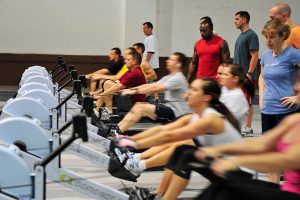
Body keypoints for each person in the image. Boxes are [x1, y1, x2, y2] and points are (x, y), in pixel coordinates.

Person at [143, 63, 253, 200]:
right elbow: (167, 130)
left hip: (235, 166)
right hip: (218, 150)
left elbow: (169, 133)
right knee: (181, 150)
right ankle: (158, 191)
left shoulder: (235, 98)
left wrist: (133, 143)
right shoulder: (224, 93)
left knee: (183, 151)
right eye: (219, 73)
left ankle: (143, 169)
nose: (219, 76)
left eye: (224, 74)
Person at [191, 71, 300, 199]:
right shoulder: (293, 120)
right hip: (287, 191)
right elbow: (262, 143)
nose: (296, 87)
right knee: (223, 186)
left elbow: (287, 160)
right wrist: (219, 149)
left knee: (230, 190)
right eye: (297, 81)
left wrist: (237, 161)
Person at [117, 78, 242, 180]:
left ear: (206, 97)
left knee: (181, 147)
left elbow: (170, 135)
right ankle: (137, 160)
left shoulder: (210, 118)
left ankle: (139, 165)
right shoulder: (196, 116)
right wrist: (127, 139)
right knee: (181, 146)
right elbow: (164, 130)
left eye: (194, 90)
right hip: (216, 156)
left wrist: (132, 143)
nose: (187, 93)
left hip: (238, 167)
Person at [107, 52, 191, 135]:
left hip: (179, 113)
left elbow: (155, 89)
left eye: (172, 60)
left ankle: (117, 131)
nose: (167, 61)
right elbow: (151, 85)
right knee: (139, 105)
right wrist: (131, 89)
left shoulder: (178, 78)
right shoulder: (169, 77)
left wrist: (134, 91)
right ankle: (116, 128)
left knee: (141, 107)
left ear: (178, 64)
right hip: (171, 108)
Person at [259, 19, 300, 182]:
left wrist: (298, 97)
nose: (268, 41)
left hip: (286, 110)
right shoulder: (265, 56)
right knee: (271, 154)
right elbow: (262, 76)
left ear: (282, 36)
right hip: (267, 109)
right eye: (266, 37)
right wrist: (261, 95)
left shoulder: (293, 54)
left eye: (272, 37)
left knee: (287, 154)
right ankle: (273, 189)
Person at [93, 51, 146, 119]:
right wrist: (96, 93)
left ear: (134, 61)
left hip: (134, 103)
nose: (125, 61)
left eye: (128, 60)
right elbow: (116, 83)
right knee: (107, 83)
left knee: (108, 83)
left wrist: (101, 95)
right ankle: (98, 110)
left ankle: (108, 111)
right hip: (127, 98)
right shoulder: (129, 72)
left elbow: (117, 87)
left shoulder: (136, 73)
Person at [233, 11, 259, 136]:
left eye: (237, 19)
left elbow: (255, 55)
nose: (235, 21)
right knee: (239, 101)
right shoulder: (241, 36)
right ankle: (237, 126)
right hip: (238, 76)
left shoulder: (251, 35)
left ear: (244, 20)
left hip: (247, 76)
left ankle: (248, 128)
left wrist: (249, 73)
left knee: (247, 102)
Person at [187, 16, 230, 83]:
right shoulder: (197, 44)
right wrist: (188, 81)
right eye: (200, 31)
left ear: (211, 29)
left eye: (204, 31)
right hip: (200, 82)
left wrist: (222, 82)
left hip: (214, 82)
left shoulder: (221, 43)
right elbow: (193, 64)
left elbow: (226, 64)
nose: (202, 33)